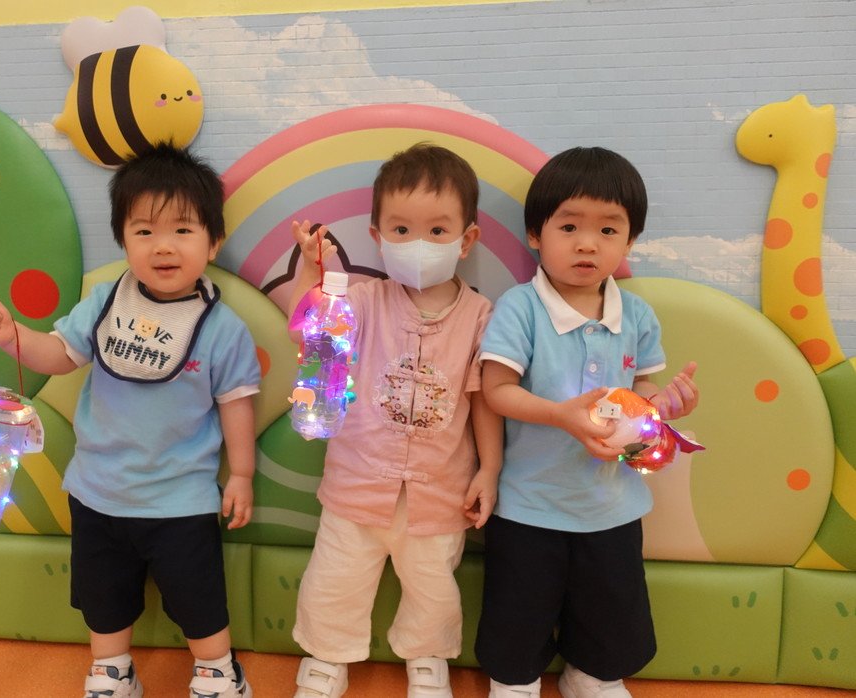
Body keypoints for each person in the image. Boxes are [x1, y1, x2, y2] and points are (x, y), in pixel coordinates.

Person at [0, 143, 258, 698]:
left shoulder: (223, 329)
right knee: (103, 597)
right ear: (123, 240)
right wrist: (12, 335)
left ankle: (217, 669)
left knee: (197, 596)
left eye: (183, 230)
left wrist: (241, 474)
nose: (163, 246)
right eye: (144, 231)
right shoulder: (105, 303)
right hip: (97, 492)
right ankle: (111, 669)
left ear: (213, 242)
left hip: (181, 500)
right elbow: (60, 354)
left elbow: (236, 404)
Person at [474, 146, 700, 698]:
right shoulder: (520, 308)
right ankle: (515, 681)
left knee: (611, 606)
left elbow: (640, 392)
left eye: (608, 230)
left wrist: (664, 405)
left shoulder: (637, 316)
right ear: (536, 234)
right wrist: (560, 415)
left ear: (629, 243)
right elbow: (495, 390)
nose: (587, 243)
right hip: (528, 503)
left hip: (611, 505)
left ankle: (593, 676)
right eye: (569, 226)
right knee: (518, 608)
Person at [287, 143, 503, 698]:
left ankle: (427, 658)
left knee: (433, 588)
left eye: (437, 230)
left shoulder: (482, 316)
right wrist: (312, 273)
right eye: (401, 230)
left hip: (440, 494)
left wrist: (490, 470)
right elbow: (312, 336)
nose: (418, 243)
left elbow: (484, 399)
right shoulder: (363, 301)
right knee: (335, 579)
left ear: (466, 241)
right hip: (355, 485)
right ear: (377, 236)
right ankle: (326, 654)